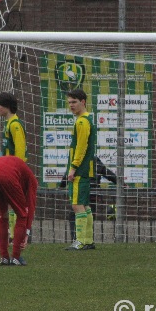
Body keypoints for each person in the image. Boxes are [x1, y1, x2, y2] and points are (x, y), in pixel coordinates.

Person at [0, 155, 37, 266]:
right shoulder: (32, 181)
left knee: (2, 214)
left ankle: (4, 257)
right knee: (22, 215)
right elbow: (29, 208)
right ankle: (16, 257)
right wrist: (26, 233)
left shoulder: (18, 168)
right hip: (6, 175)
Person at [64, 89, 97, 250]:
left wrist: (73, 167)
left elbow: (81, 147)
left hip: (80, 169)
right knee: (84, 204)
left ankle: (81, 241)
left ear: (83, 102)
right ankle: (88, 240)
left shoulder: (82, 122)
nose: (71, 105)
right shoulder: (85, 119)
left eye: (74, 102)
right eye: (69, 102)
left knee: (77, 204)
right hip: (85, 169)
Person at [0, 92, 27, 241]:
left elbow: (20, 149)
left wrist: (17, 170)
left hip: (14, 171)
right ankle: (13, 235)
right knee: (10, 204)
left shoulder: (15, 125)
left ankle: (17, 235)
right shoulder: (8, 124)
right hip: (8, 170)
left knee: (15, 204)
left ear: (7, 107)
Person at [60, 156, 118, 241]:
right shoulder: (94, 160)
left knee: (75, 214)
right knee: (89, 215)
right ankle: (86, 239)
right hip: (93, 193)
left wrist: (61, 186)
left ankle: (76, 238)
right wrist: (121, 183)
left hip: (80, 192)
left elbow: (68, 175)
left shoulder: (77, 160)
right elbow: (107, 173)